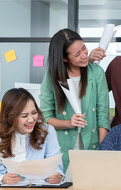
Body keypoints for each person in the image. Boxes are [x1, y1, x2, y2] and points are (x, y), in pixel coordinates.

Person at [40, 28, 110, 177]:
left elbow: (102, 116)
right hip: (61, 147)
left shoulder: (96, 73)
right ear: (65, 58)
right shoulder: (51, 77)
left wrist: (102, 152)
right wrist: (69, 123)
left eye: (84, 48)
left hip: (91, 145)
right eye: (77, 54)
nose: (85, 55)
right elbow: (45, 118)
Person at [0, 88, 64, 189]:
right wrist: (3, 178)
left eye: (34, 112)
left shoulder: (47, 131)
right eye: (24, 116)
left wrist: (57, 176)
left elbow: (57, 170)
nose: (31, 119)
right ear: (10, 117)